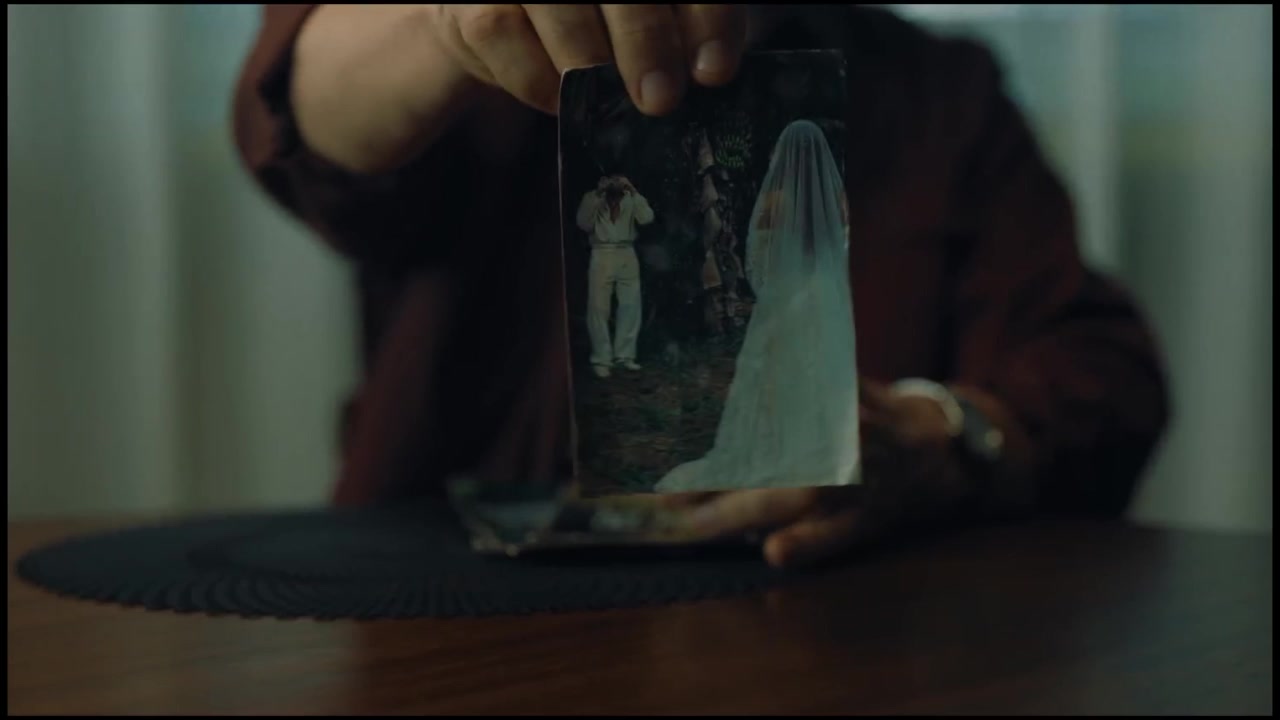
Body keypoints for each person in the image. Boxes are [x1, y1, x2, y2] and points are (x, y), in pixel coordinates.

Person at [233, 5, 1170, 569]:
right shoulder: (468, 61)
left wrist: (941, 433)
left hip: (825, 635)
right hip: (448, 618)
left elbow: (1103, 371)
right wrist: (447, 27)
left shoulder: (939, 91)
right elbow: (296, 123)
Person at [655, 120, 859, 494]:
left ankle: (779, 446)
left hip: (787, 299)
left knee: (778, 378)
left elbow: (757, 259)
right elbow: (846, 247)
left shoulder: (775, 200)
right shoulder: (837, 196)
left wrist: (771, 292)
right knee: (823, 372)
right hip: (826, 295)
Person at [576, 174, 655, 378]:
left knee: (630, 305)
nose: (614, 184)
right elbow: (583, 223)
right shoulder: (592, 197)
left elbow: (647, 218)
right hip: (601, 252)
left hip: (626, 251)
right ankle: (601, 359)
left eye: (618, 180)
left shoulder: (630, 198)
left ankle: (625, 356)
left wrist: (633, 190)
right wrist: (598, 194)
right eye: (610, 180)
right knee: (598, 307)